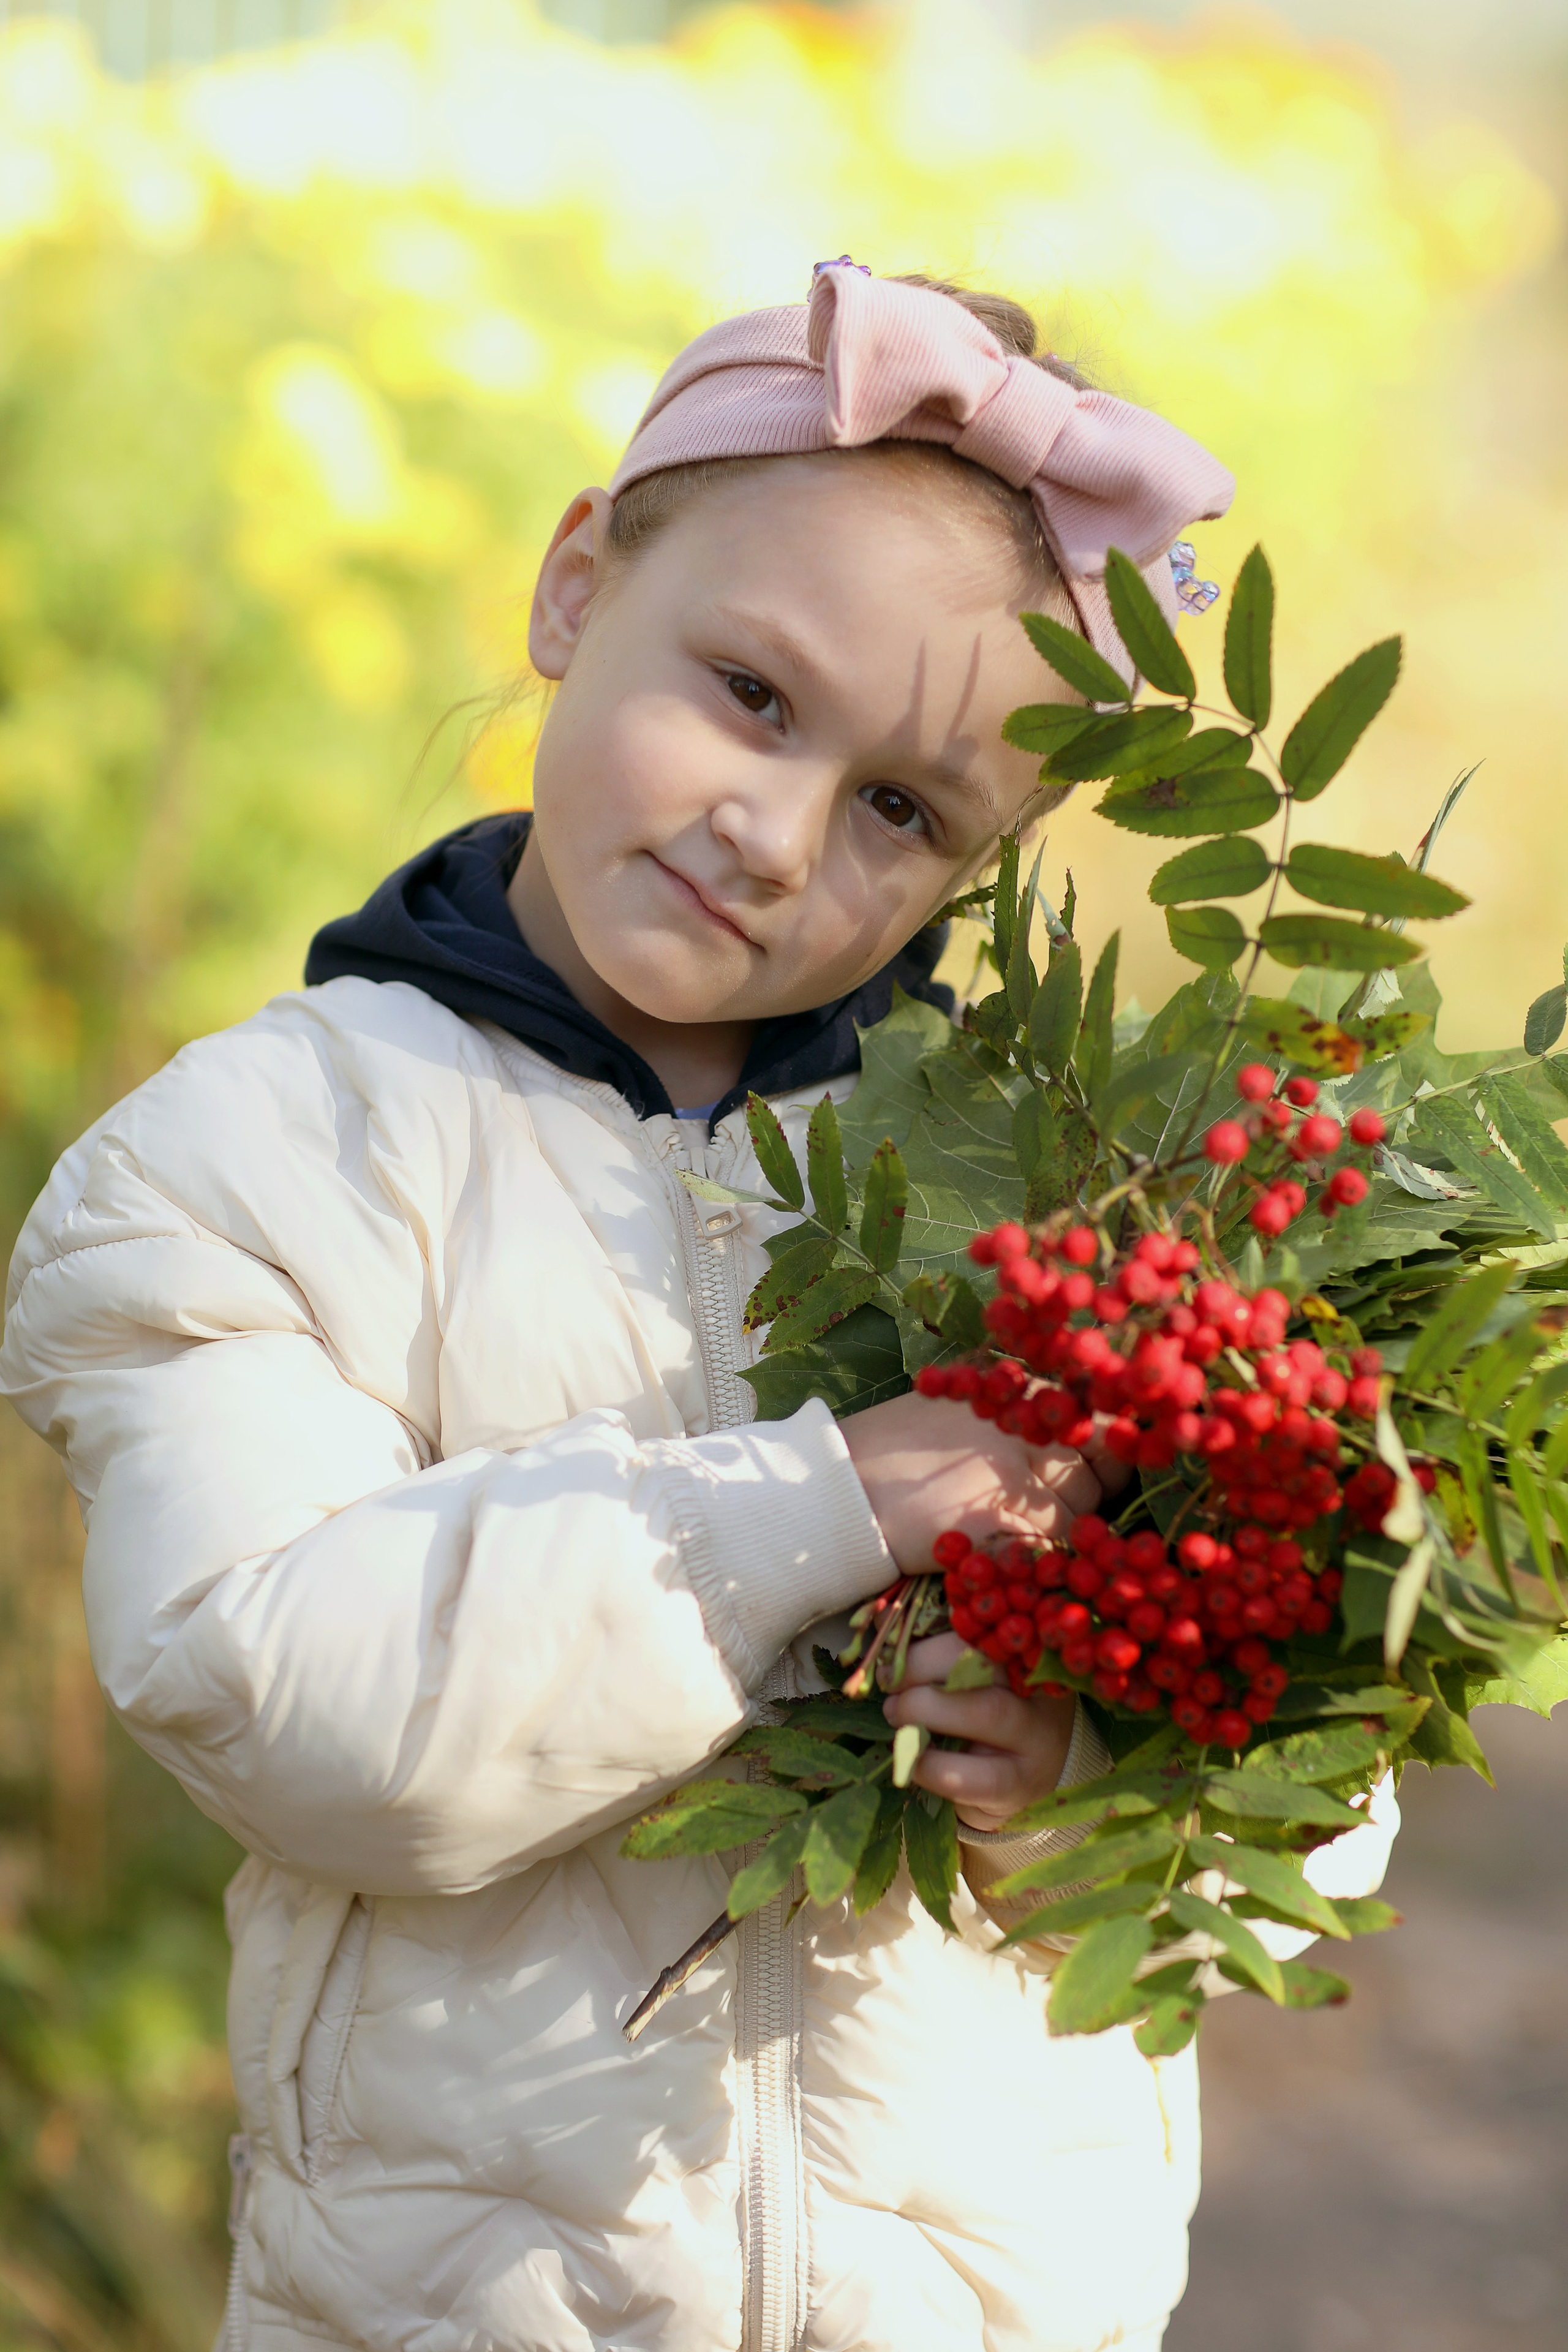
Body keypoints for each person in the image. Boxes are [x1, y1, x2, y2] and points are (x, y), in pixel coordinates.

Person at [1, 266, 1395, 2352]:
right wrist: (816, 1506)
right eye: (751, 693)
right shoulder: (255, 1165)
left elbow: (1323, 1777)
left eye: (904, 812)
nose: (777, 831)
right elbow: (286, 1702)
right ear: (578, 586)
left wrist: (1089, 1792)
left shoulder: (1080, 1194)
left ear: (979, 869)